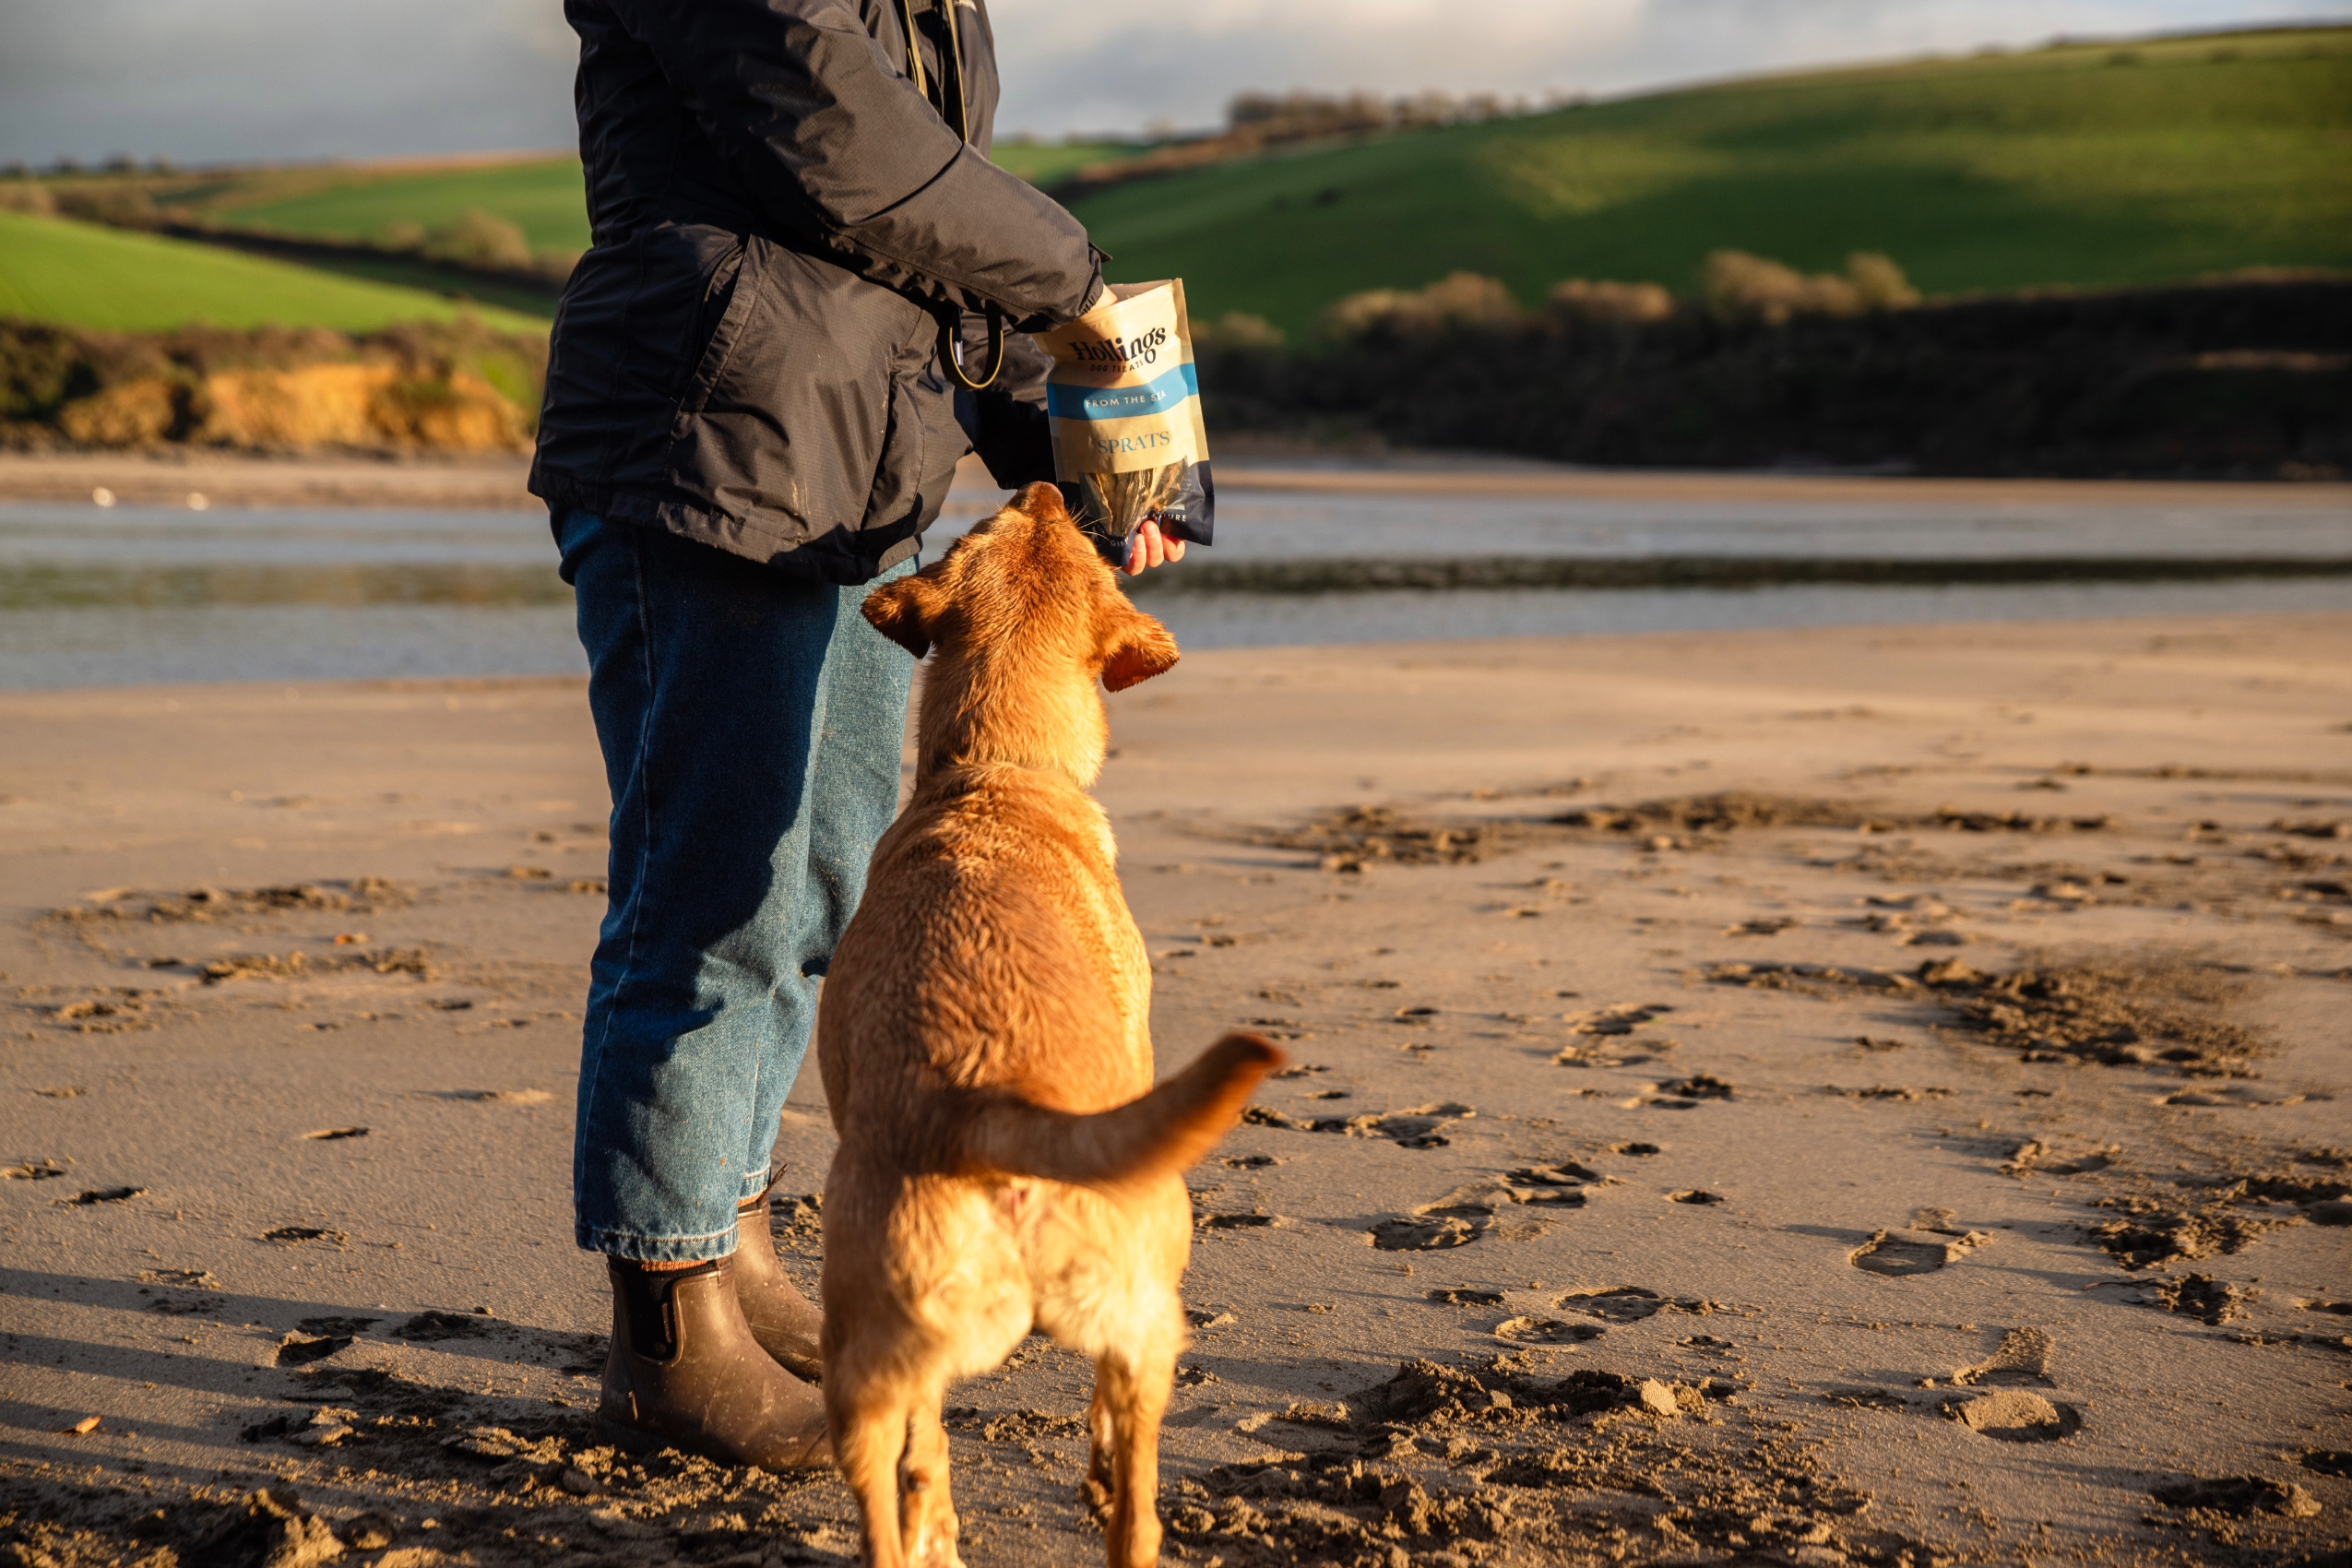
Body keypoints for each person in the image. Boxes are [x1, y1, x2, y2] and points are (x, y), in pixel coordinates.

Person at [528, 0, 1184, 1469]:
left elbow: (915, 263)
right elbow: (839, 141)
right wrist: (1073, 277)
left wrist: (1071, 455)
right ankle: (664, 1325)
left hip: (846, 469)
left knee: (820, 878)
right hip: (709, 438)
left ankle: (732, 1235)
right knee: (710, 897)